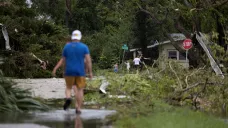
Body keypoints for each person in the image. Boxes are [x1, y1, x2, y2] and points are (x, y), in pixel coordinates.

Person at [52, 30, 92, 114]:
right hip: (80, 72)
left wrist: (57, 69)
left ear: (72, 37)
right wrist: (90, 72)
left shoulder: (67, 47)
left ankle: (68, 98)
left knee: (68, 87)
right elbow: (88, 60)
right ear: (80, 37)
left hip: (69, 71)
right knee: (80, 89)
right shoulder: (84, 47)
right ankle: (78, 108)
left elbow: (63, 60)